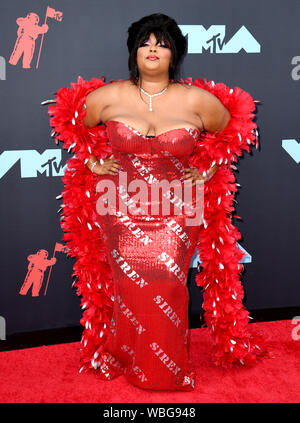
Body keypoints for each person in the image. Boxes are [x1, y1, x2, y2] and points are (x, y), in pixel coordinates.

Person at [44, 13, 270, 391]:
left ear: (174, 55)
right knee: (127, 288)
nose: (153, 49)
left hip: (178, 208)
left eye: (162, 43)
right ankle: (127, 357)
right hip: (119, 205)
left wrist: (211, 167)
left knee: (167, 286)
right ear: (134, 52)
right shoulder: (110, 96)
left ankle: (166, 370)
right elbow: (69, 117)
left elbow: (236, 126)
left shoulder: (196, 100)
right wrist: (92, 160)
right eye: (146, 42)